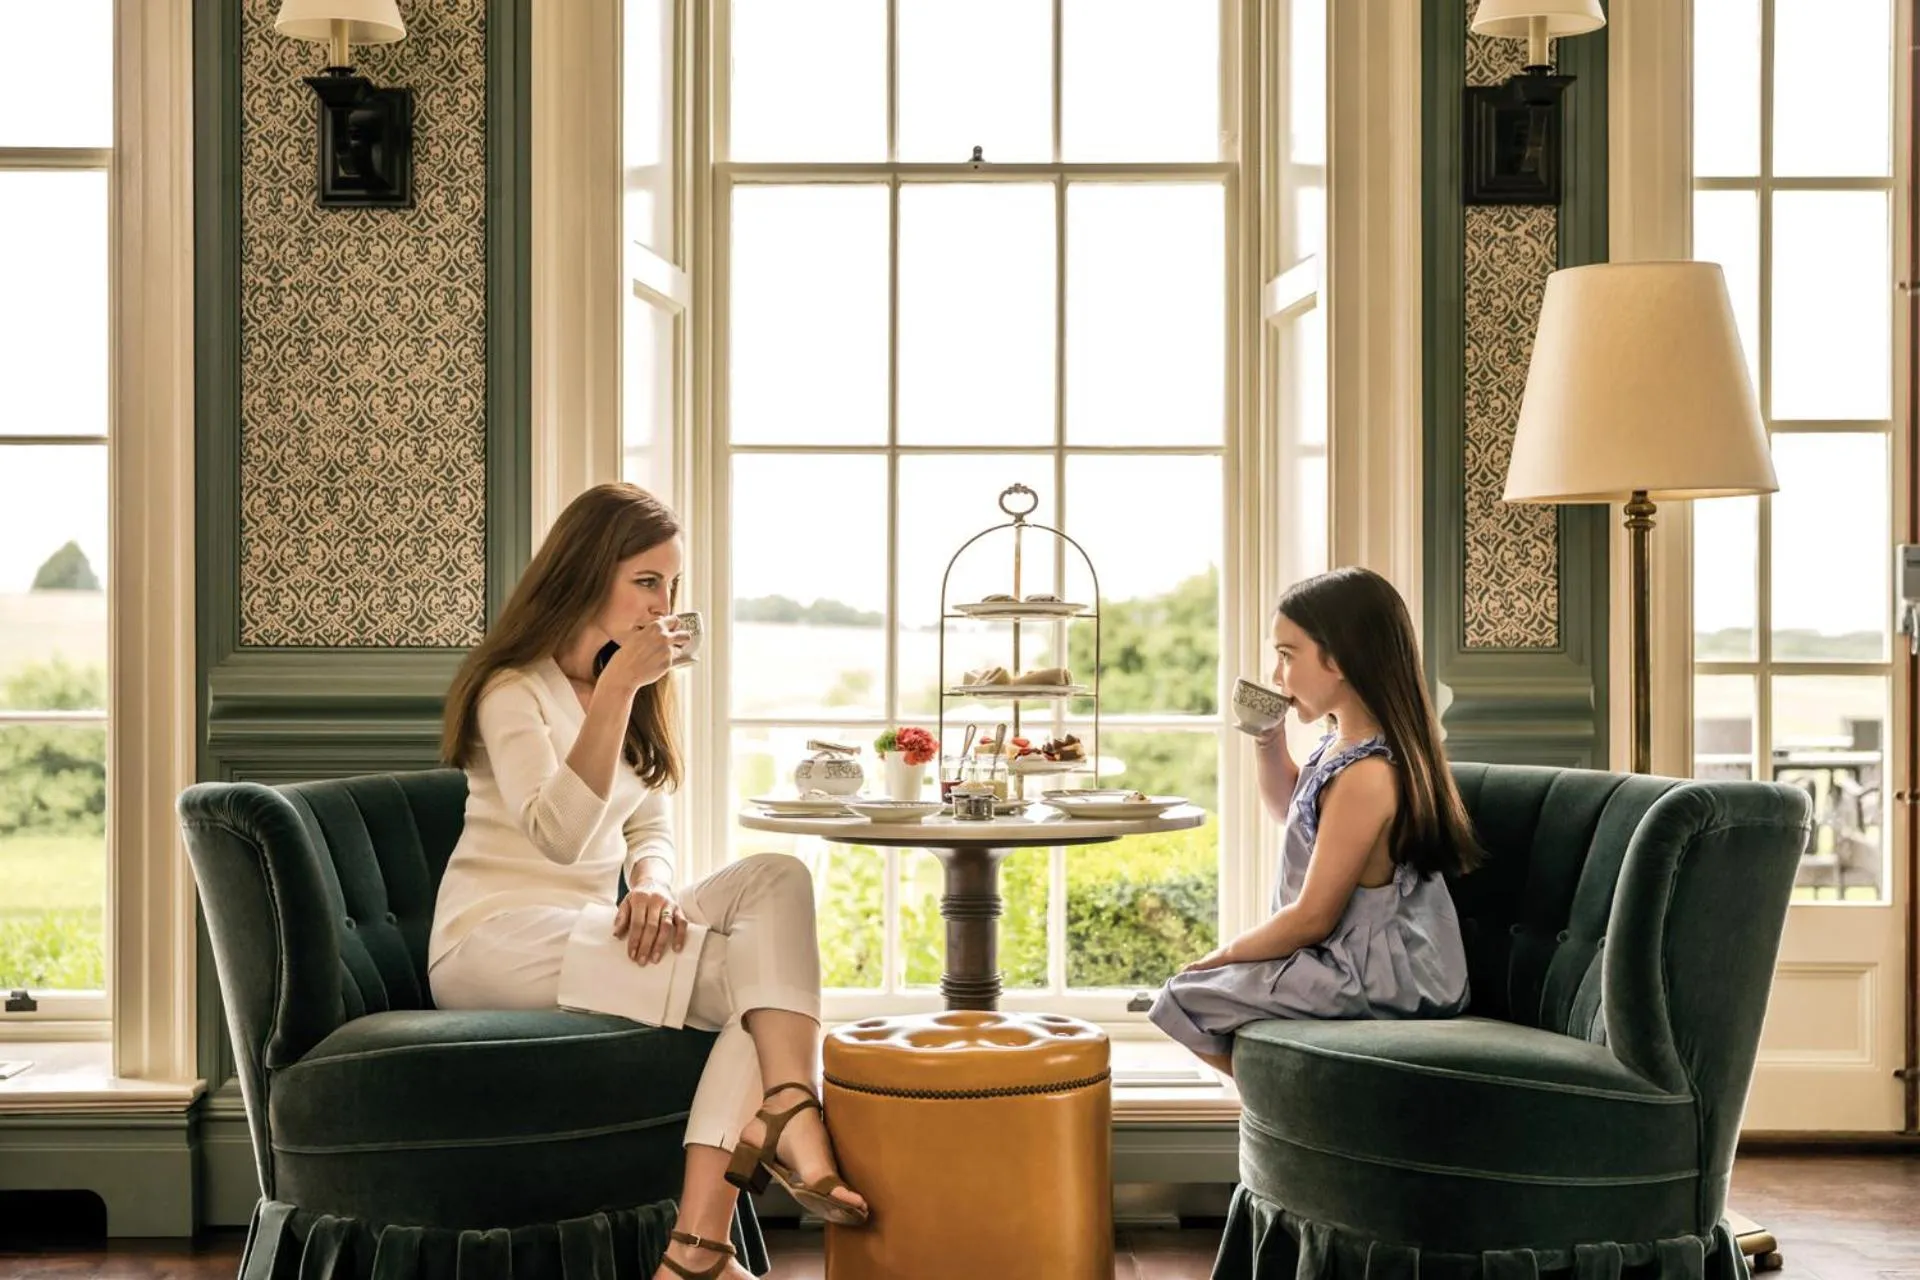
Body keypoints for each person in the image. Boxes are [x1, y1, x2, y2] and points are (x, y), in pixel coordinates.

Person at [428, 483, 866, 1280]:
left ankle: (718, 1214)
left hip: (595, 927)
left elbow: (649, 825)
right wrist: (620, 690)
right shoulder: (512, 691)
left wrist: (654, 885)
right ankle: (728, 1206)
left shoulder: (627, 686)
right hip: (493, 942)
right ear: (588, 572)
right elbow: (558, 835)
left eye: (672, 585)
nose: (665, 604)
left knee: (775, 880)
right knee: (757, 983)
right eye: (647, 582)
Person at [1149, 567, 1478, 1077]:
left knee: (1186, 998)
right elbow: (1290, 811)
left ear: (1339, 658)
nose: (1277, 676)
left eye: (1286, 655)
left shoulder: (1368, 774)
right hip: (1342, 956)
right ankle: (1297, 1101)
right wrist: (1268, 740)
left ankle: (1294, 1103)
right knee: (1198, 995)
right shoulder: (1340, 745)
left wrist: (1226, 955)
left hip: (1377, 974)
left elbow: (1312, 918)